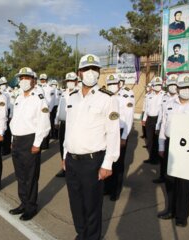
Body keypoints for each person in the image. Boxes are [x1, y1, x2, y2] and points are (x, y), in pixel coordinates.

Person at [63, 54, 120, 239]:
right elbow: (69, 128)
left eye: (94, 69)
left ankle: (92, 237)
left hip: (92, 161)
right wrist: (65, 154)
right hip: (72, 160)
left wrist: (108, 163)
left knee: (92, 205)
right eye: (86, 69)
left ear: (99, 72)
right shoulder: (72, 97)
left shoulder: (107, 98)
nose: (90, 73)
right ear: (79, 73)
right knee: (76, 204)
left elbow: (113, 132)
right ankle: (82, 234)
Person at [9, 67, 50, 221]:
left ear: (33, 80)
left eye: (27, 77)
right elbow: (15, 120)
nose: (23, 81)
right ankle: (23, 203)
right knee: (20, 176)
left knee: (30, 176)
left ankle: (31, 207)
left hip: (30, 140)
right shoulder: (19, 97)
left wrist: (37, 143)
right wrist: (13, 140)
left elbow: (44, 123)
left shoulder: (39, 98)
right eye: (21, 78)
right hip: (18, 140)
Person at [157, 73, 189, 227]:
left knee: (185, 184)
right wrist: (161, 145)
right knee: (170, 180)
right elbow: (164, 124)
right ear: (178, 88)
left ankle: (182, 216)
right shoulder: (169, 103)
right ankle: (170, 210)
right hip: (171, 146)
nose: (187, 90)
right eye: (183, 87)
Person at [104, 74, 135, 201]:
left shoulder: (127, 94)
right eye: (109, 84)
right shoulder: (105, 95)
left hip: (120, 131)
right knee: (107, 160)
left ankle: (115, 190)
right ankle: (106, 187)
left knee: (118, 162)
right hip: (106, 131)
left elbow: (129, 118)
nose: (112, 86)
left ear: (119, 84)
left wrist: (124, 137)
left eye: (114, 84)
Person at [153, 74, 179, 184]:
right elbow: (162, 115)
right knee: (163, 158)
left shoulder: (181, 98)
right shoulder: (165, 97)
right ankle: (162, 176)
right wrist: (158, 126)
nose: (172, 86)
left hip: (178, 138)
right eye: (170, 84)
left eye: (174, 84)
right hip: (166, 133)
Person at [54, 72, 78, 178]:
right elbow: (60, 107)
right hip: (63, 124)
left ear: (76, 81)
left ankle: (73, 170)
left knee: (72, 148)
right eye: (68, 81)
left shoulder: (79, 93)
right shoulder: (64, 93)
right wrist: (56, 120)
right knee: (62, 147)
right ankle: (64, 167)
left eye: (72, 81)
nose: (70, 83)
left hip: (73, 125)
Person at [142, 77, 165, 165]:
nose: (158, 86)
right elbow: (147, 108)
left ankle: (157, 159)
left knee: (157, 140)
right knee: (150, 140)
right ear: (153, 86)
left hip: (158, 120)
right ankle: (151, 158)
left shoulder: (164, 95)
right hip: (149, 120)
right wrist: (144, 119)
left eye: (159, 85)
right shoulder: (149, 95)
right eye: (156, 85)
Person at [0, 76, 14, 156]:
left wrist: (11, 115)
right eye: (1, 84)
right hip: (0, 112)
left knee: (7, 132)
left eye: (4, 84)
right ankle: (1, 148)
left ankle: (6, 149)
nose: (2, 85)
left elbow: (12, 104)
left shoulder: (10, 91)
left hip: (8, 112)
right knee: (1, 131)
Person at [39, 73, 54, 149]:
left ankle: (45, 144)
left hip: (46, 110)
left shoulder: (50, 88)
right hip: (39, 110)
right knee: (39, 126)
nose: (42, 81)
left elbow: (52, 100)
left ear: (47, 80)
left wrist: (49, 110)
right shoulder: (37, 88)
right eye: (41, 79)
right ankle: (40, 142)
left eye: (44, 79)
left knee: (46, 125)